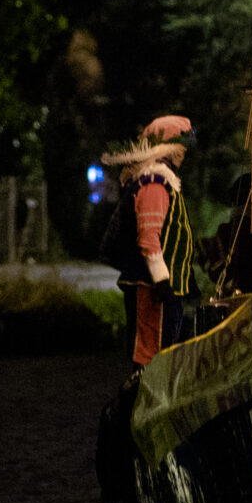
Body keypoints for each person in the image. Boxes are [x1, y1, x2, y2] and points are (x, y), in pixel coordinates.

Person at [100, 114, 198, 367]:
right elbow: (148, 236)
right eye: (182, 147)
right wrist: (162, 280)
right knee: (150, 358)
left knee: (159, 355)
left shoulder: (161, 182)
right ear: (171, 149)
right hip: (151, 288)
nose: (185, 153)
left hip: (160, 287)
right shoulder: (155, 183)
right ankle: (138, 404)